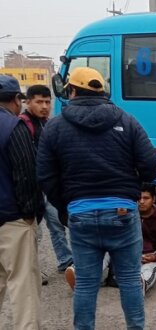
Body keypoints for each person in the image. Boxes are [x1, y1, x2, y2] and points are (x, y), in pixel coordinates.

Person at [37, 67, 156, 330]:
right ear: (102, 92)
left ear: (71, 91)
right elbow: (150, 165)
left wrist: (67, 205)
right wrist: (130, 190)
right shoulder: (126, 120)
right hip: (123, 212)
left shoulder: (56, 126)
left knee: (86, 284)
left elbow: (45, 175)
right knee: (128, 279)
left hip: (80, 214)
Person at [67, 183, 156, 294]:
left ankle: (140, 285)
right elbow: (109, 235)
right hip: (125, 252)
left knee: (150, 269)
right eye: (138, 198)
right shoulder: (127, 213)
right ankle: (79, 274)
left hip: (149, 257)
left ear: (154, 199)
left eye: (146, 198)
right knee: (103, 253)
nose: (141, 202)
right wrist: (120, 218)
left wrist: (155, 256)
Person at [0, 74, 44, 329]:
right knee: (23, 286)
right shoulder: (14, 127)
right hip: (13, 219)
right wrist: (31, 213)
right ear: (17, 100)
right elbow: (27, 174)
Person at [21, 85, 74, 274]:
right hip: (31, 188)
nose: (44, 106)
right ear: (28, 102)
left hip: (49, 186)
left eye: (47, 101)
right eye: (39, 102)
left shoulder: (49, 124)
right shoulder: (22, 125)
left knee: (57, 224)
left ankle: (65, 260)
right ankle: (33, 269)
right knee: (34, 232)